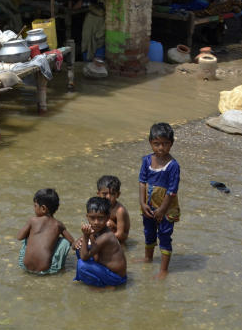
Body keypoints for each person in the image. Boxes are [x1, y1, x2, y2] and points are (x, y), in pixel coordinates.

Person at [138, 122, 181, 280]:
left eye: (165, 144)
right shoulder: (147, 161)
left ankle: (164, 270)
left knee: (164, 235)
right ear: (150, 143)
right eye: (156, 144)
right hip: (149, 205)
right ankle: (148, 258)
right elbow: (142, 182)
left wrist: (162, 209)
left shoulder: (173, 166)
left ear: (171, 144)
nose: (160, 148)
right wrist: (142, 203)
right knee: (148, 232)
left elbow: (172, 191)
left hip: (166, 208)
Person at [16, 188, 75, 274]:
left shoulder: (32, 220)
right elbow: (72, 242)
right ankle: (58, 268)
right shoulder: (58, 225)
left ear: (43, 208)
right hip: (47, 270)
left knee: (27, 237)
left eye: (35, 206)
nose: (34, 208)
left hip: (25, 266)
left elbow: (19, 237)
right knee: (64, 242)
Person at [74, 196, 128, 288]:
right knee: (79, 248)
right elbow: (74, 246)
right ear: (87, 217)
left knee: (81, 265)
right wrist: (78, 242)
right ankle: (101, 280)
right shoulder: (96, 229)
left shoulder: (106, 236)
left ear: (107, 218)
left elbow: (84, 257)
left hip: (116, 277)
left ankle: (104, 286)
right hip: (108, 270)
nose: (96, 222)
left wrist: (86, 237)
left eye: (100, 218)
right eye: (92, 218)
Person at [97, 175, 130, 243]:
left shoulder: (119, 211)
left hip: (119, 241)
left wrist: (101, 239)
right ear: (98, 194)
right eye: (104, 194)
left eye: (112, 194)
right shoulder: (99, 206)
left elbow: (120, 235)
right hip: (106, 238)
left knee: (108, 223)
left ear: (118, 195)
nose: (108, 197)